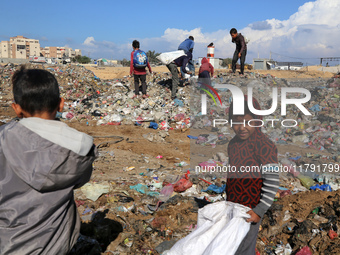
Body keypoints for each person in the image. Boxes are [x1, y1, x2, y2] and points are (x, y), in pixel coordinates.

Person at [0, 66, 97, 255]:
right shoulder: (80, 147)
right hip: (55, 245)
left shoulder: (3, 139)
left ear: (16, 108)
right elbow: (80, 180)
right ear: (61, 104)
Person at [227, 96, 279, 255]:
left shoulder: (265, 145)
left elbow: (272, 182)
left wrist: (259, 210)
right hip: (232, 206)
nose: (242, 128)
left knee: (244, 248)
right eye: (237, 123)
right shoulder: (233, 144)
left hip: (251, 209)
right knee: (231, 245)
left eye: (248, 122)